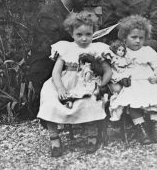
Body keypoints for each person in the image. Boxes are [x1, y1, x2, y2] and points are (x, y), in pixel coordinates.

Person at [37, 11, 112, 157]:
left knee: (91, 102)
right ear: (72, 33)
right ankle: (55, 141)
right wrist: (60, 88)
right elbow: (56, 73)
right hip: (65, 83)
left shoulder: (97, 49)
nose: (84, 39)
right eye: (79, 35)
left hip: (86, 84)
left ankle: (92, 137)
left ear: (93, 33)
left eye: (88, 34)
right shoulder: (65, 48)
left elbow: (107, 71)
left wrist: (101, 84)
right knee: (50, 101)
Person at [27, 0, 93, 115]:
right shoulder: (48, 14)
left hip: (68, 65)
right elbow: (50, 50)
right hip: (49, 69)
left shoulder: (72, 11)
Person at [108, 15, 157, 145]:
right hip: (132, 83)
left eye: (141, 38)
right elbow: (115, 70)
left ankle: (155, 126)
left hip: (149, 81)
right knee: (133, 102)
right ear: (124, 38)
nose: (138, 41)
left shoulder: (147, 51)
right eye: (134, 37)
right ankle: (140, 128)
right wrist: (121, 79)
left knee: (156, 99)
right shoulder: (121, 53)